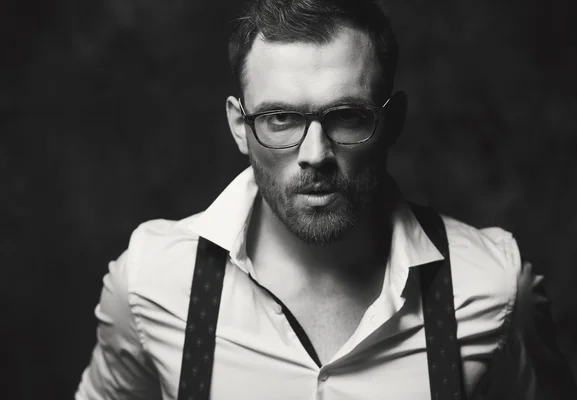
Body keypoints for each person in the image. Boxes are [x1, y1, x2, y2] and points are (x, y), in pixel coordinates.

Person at [75, 0, 543, 399]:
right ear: (241, 127)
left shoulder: (493, 287)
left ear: (393, 121)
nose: (315, 155)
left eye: (347, 117)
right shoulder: (151, 282)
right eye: (280, 118)